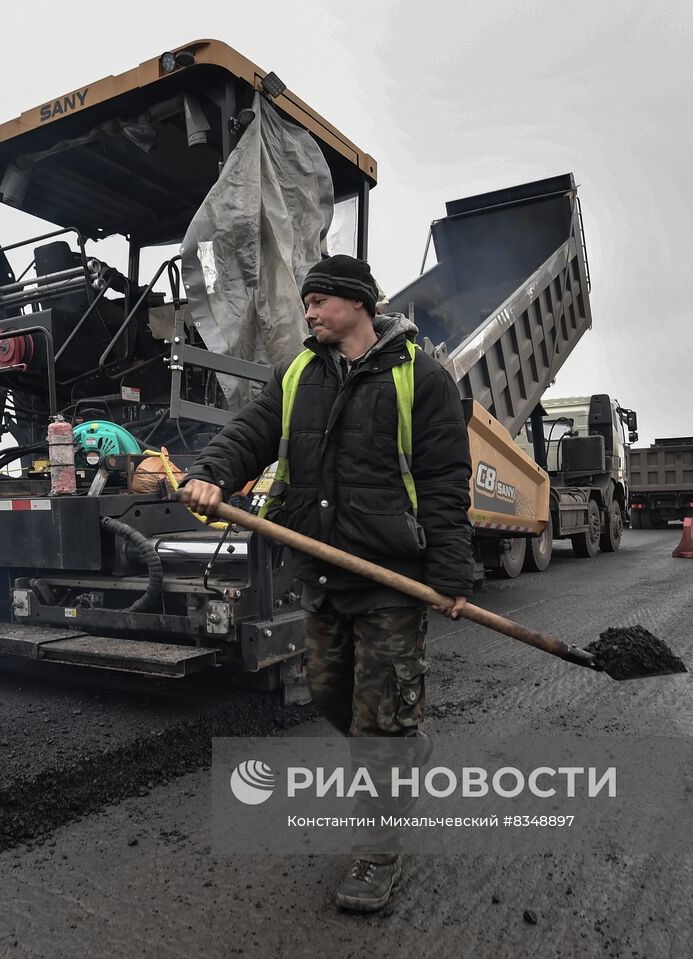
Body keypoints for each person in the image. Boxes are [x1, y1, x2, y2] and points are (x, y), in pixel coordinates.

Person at [182, 254, 474, 913]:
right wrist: (214, 471)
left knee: (377, 727)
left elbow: (444, 482)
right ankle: (406, 742)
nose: (309, 311)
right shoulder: (299, 374)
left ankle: (375, 856)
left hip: (392, 576)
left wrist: (452, 574)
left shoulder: (419, 377)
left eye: (320, 300)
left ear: (358, 304)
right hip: (322, 570)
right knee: (326, 691)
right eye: (307, 301)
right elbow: (253, 430)